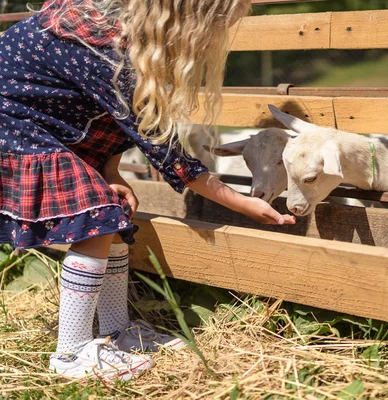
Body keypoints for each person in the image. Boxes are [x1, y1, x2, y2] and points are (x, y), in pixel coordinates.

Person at [0, 0, 295, 381]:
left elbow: (115, 112)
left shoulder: (114, 30)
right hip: (16, 128)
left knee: (114, 216)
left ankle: (116, 331)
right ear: (186, 21)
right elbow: (164, 150)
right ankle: (70, 354)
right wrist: (243, 204)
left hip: (52, 122)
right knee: (96, 221)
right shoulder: (104, 51)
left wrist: (111, 170)